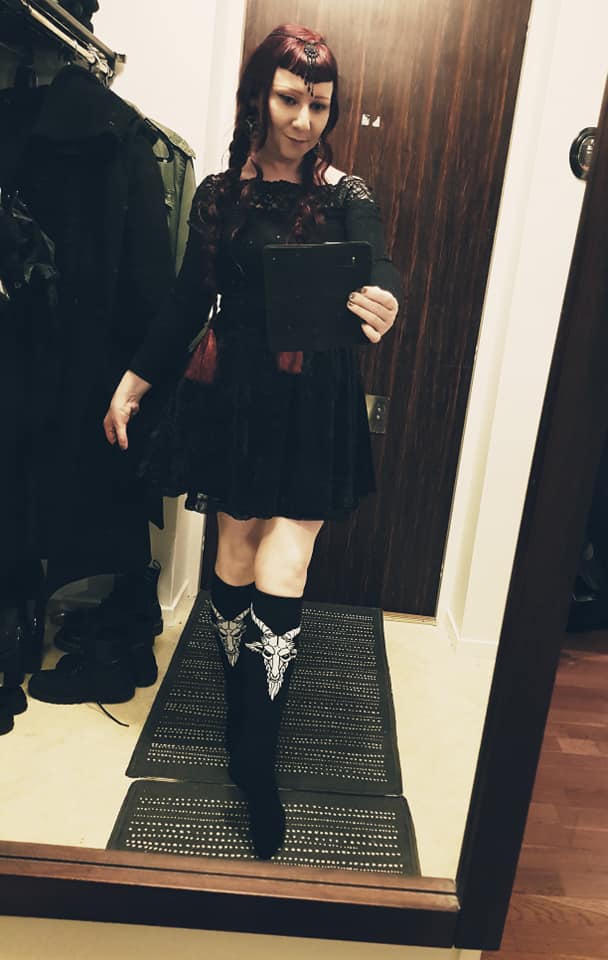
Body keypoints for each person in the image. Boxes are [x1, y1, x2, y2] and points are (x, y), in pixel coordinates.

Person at [103, 24, 401, 860]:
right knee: (234, 552)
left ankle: (256, 755)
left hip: (318, 400)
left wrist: (386, 300)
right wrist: (132, 384)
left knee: (287, 560)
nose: (304, 121)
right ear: (259, 96)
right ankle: (241, 699)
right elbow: (183, 306)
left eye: (320, 105)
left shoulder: (347, 192)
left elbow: (379, 265)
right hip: (235, 399)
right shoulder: (220, 197)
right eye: (289, 99)